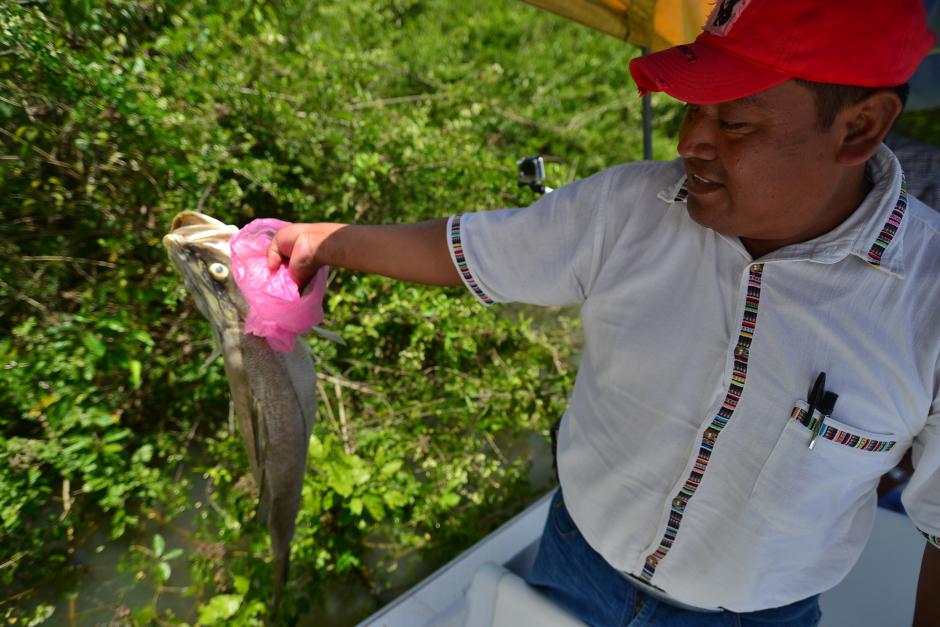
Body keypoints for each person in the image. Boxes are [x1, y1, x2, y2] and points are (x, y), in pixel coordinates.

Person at [267, 1, 939, 625]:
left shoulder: (928, 303)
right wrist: (327, 242)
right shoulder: (624, 209)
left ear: (859, 127)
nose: (691, 142)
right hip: (574, 557)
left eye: (733, 121)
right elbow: (467, 251)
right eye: (691, 108)